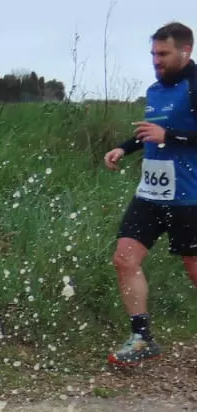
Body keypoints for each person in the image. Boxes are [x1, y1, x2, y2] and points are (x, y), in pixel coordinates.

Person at [104, 21, 197, 367]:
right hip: (151, 192)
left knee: (194, 268)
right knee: (124, 259)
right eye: (153, 54)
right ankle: (142, 338)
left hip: (190, 196)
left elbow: (166, 133)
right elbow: (151, 132)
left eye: (163, 53)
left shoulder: (195, 86)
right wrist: (123, 148)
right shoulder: (155, 90)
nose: (156, 60)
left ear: (185, 51)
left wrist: (170, 136)